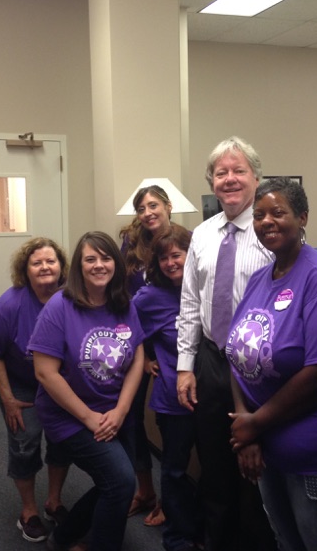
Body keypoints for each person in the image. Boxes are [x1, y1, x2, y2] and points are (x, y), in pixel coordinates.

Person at [227, 177, 317, 551]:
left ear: (302, 218)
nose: (267, 221)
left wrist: (255, 425)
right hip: (264, 446)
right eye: (259, 214)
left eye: (278, 212)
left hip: (309, 453)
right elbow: (236, 355)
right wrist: (244, 427)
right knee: (285, 541)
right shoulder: (258, 279)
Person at [176, 136, 276, 551]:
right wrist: (185, 365)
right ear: (212, 182)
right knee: (214, 463)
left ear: (255, 177)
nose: (230, 179)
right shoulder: (201, 235)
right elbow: (190, 303)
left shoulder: (273, 232)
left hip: (260, 366)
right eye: (222, 173)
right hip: (212, 362)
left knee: (256, 467)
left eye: (238, 171)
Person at [30, 231, 146, 551]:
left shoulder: (123, 303)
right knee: (121, 482)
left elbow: (138, 357)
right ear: (79, 267)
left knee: (116, 484)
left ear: (116, 264)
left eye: (106, 258)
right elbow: (45, 372)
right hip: (68, 415)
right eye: (90, 259)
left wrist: (120, 411)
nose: (99, 265)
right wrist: (89, 417)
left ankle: (65, 539)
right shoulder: (60, 306)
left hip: (113, 411)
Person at [0, 237, 72, 543]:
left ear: (61, 267)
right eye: (37, 262)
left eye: (51, 261)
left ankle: (53, 502)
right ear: (25, 270)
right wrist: (8, 400)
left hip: (58, 380)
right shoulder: (7, 307)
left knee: (61, 440)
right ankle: (29, 511)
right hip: (20, 382)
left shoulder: (71, 298)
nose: (45, 267)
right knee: (25, 440)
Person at [133, 224, 200, 551]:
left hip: (213, 395)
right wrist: (145, 359)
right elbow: (126, 332)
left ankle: (204, 530)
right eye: (164, 258)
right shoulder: (148, 298)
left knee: (214, 470)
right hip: (173, 399)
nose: (171, 263)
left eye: (177, 255)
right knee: (174, 471)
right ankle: (177, 537)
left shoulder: (207, 287)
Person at [119, 185, 173, 526]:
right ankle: (144, 490)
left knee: (175, 429)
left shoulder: (185, 240)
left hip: (173, 344)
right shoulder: (131, 244)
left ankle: (173, 500)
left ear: (167, 206)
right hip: (140, 344)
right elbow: (127, 299)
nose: (148, 212)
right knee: (131, 420)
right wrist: (145, 353)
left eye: (153, 205)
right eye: (142, 207)